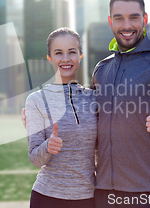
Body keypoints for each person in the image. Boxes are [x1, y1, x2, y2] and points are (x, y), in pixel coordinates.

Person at [24, 0, 150, 208]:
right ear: (110, 22)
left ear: (144, 19)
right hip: (103, 192)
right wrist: (39, 120)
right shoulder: (102, 69)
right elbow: (90, 117)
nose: (127, 25)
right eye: (119, 18)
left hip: (147, 190)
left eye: (134, 17)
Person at [25, 28, 97, 208]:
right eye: (58, 53)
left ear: (80, 55)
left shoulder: (94, 98)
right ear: (49, 58)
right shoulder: (36, 100)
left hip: (89, 197)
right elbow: (35, 159)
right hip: (47, 197)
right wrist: (48, 146)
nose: (65, 59)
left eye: (72, 52)